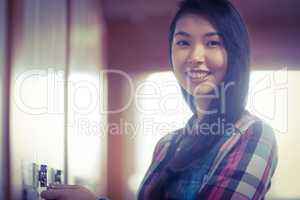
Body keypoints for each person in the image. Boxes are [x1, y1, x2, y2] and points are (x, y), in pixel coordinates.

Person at [41, 0, 278, 199]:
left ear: (235, 53)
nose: (195, 56)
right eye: (183, 42)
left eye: (212, 43)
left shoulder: (254, 134)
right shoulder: (167, 145)